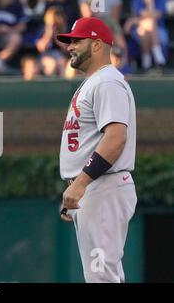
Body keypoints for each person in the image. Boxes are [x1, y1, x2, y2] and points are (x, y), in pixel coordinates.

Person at [56, 17, 137, 283]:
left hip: (103, 186)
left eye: (78, 40)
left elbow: (115, 138)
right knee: (100, 275)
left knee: (102, 276)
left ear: (98, 45)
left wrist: (80, 184)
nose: (71, 46)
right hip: (96, 187)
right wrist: (77, 187)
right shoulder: (95, 82)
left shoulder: (106, 82)